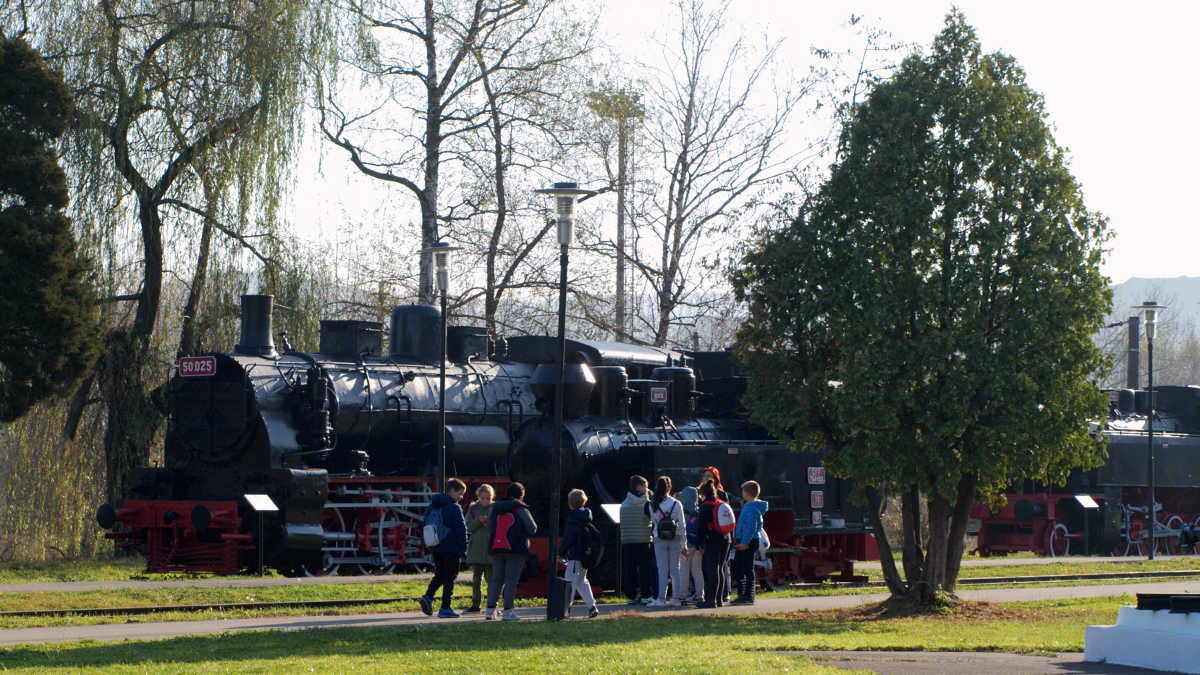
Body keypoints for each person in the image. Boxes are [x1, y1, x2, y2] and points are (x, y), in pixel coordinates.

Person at [486, 481, 538, 621]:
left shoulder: (495, 508)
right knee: (511, 581)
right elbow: (532, 529)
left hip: (497, 548)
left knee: (496, 579)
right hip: (516, 550)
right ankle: (508, 611)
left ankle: (490, 611)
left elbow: (490, 526)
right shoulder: (521, 509)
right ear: (521, 495)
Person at [419, 477, 468, 618]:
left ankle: (428, 597)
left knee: (439, 574)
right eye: (460, 493)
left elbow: (425, 524)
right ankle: (445, 607)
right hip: (452, 548)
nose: (461, 497)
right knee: (450, 578)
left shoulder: (433, 505)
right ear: (452, 490)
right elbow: (461, 529)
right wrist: (463, 548)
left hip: (436, 546)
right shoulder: (454, 507)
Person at [646, 476, 687, 607]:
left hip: (659, 538)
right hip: (675, 538)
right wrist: (683, 544)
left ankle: (661, 598)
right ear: (669, 488)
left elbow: (654, 521)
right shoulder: (676, 503)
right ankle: (676, 598)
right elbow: (682, 525)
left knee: (662, 569)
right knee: (675, 569)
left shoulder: (652, 504)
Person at [559, 488, 600, 618]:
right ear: (583, 502)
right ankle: (592, 606)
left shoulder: (573, 519)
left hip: (575, 556)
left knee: (570, 583)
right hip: (584, 555)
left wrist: (561, 552)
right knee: (582, 582)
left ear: (570, 503)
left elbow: (568, 539)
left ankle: (565, 608)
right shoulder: (586, 516)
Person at [695, 479, 731, 608]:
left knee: (712, 570)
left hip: (713, 540)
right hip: (726, 539)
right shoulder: (720, 503)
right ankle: (719, 599)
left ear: (703, 494)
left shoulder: (705, 507)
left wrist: (698, 544)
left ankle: (710, 600)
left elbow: (701, 528)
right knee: (720, 568)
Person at [619, 475, 654, 605]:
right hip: (643, 540)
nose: (647, 488)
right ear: (639, 486)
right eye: (645, 485)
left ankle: (631, 596)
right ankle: (645, 595)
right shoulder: (646, 503)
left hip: (627, 541)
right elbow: (653, 518)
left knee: (630, 570)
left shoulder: (624, 503)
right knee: (645, 569)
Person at [732, 480, 768, 605]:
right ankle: (743, 594)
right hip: (748, 540)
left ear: (746, 493)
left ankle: (748, 596)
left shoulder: (751, 508)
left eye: (743, 491)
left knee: (746, 568)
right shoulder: (750, 506)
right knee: (740, 567)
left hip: (748, 540)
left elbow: (751, 527)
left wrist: (745, 542)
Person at [463, 483, 494, 613]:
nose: (485, 501)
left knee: (491, 581)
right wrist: (479, 521)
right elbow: (468, 527)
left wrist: (488, 522)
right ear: (478, 497)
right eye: (483, 498)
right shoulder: (473, 509)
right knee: (476, 580)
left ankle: (492, 604)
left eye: (488, 498)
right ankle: (475, 604)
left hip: (490, 550)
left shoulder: (495, 508)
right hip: (476, 549)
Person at [678, 485, 704, 604]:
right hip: (697, 546)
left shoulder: (682, 512)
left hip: (685, 545)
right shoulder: (699, 511)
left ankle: (683, 596)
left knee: (684, 571)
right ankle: (700, 595)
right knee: (697, 571)